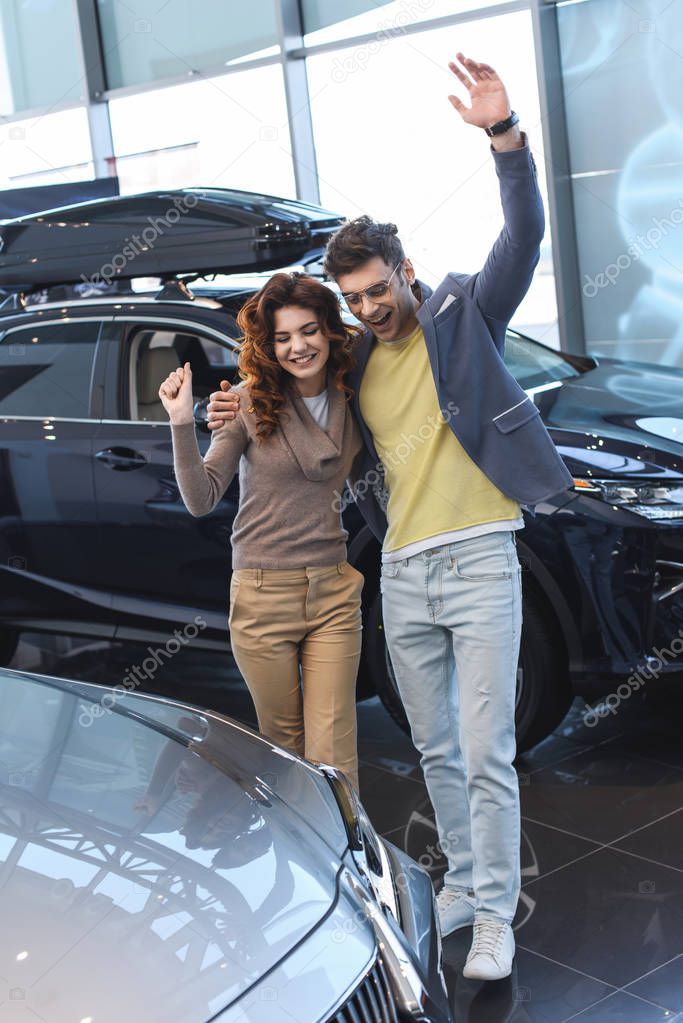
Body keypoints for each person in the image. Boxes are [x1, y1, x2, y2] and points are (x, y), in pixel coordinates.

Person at [205, 53, 574, 981]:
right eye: (358, 300)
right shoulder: (356, 363)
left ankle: (494, 913)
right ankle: (457, 882)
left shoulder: (464, 314)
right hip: (404, 570)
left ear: (404, 271)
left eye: (380, 288)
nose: (373, 308)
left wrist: (503, 137)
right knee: (434, 744)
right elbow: (292, 400)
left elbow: (523, 235)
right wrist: (220, 411)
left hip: (482, 556)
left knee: (488, 749)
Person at [158, 272, 365, 791]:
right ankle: (300, 867)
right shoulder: (247, 403)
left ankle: (351, 867)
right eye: (283, 337)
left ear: (330, 332)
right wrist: (182, 422)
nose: (299, 346)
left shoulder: (356, 394)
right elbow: (201, 498)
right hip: (261, 595)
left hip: (334, 590)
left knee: (334, 751)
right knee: (284, 747)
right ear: (269, 345)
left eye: (309, 330)